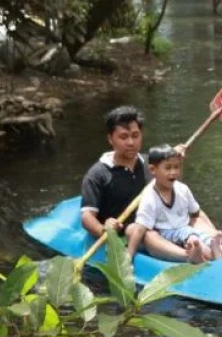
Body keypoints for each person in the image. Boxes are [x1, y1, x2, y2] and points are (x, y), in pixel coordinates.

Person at [79, 105, 189, 261]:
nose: (131, 142)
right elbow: (87, 217)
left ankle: (219, 243)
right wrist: (103, 229)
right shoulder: (97, 174)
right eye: (123, 137)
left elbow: (173, 190)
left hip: (163, 227)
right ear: (110, 139)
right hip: (130, 235)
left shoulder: (152, 165)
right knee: (146, 234)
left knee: (195, 212)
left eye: (135, 135)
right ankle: (190, 257)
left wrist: (175, 162)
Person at [135, 144, 222, 263]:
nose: (173, 172)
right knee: (192, 238)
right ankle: (210, 255)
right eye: (168, 168)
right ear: (152, 170)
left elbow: (195, 214)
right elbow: (141, 228)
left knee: (199, 234)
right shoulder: (149, 196)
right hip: (167, 234)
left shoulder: (182, 189)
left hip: (186, 229)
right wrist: (129, 256)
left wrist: (212, 232)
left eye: (176, 167)